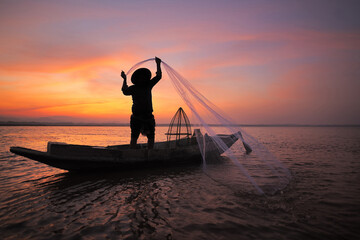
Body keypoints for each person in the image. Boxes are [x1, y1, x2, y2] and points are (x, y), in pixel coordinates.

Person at [121, 57, 162, 149]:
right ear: (138, 79)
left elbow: (158, 76)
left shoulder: (148, 85)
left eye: (144, 76)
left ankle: (150, 153)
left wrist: (158, 64)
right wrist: (124, 79)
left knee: (151, 137)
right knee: (134, 136)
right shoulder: (133, 88)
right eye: (141, 77)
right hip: (136, 117)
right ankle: (132, 154)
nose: (143, 78)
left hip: (148, 116)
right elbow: (124, 91)